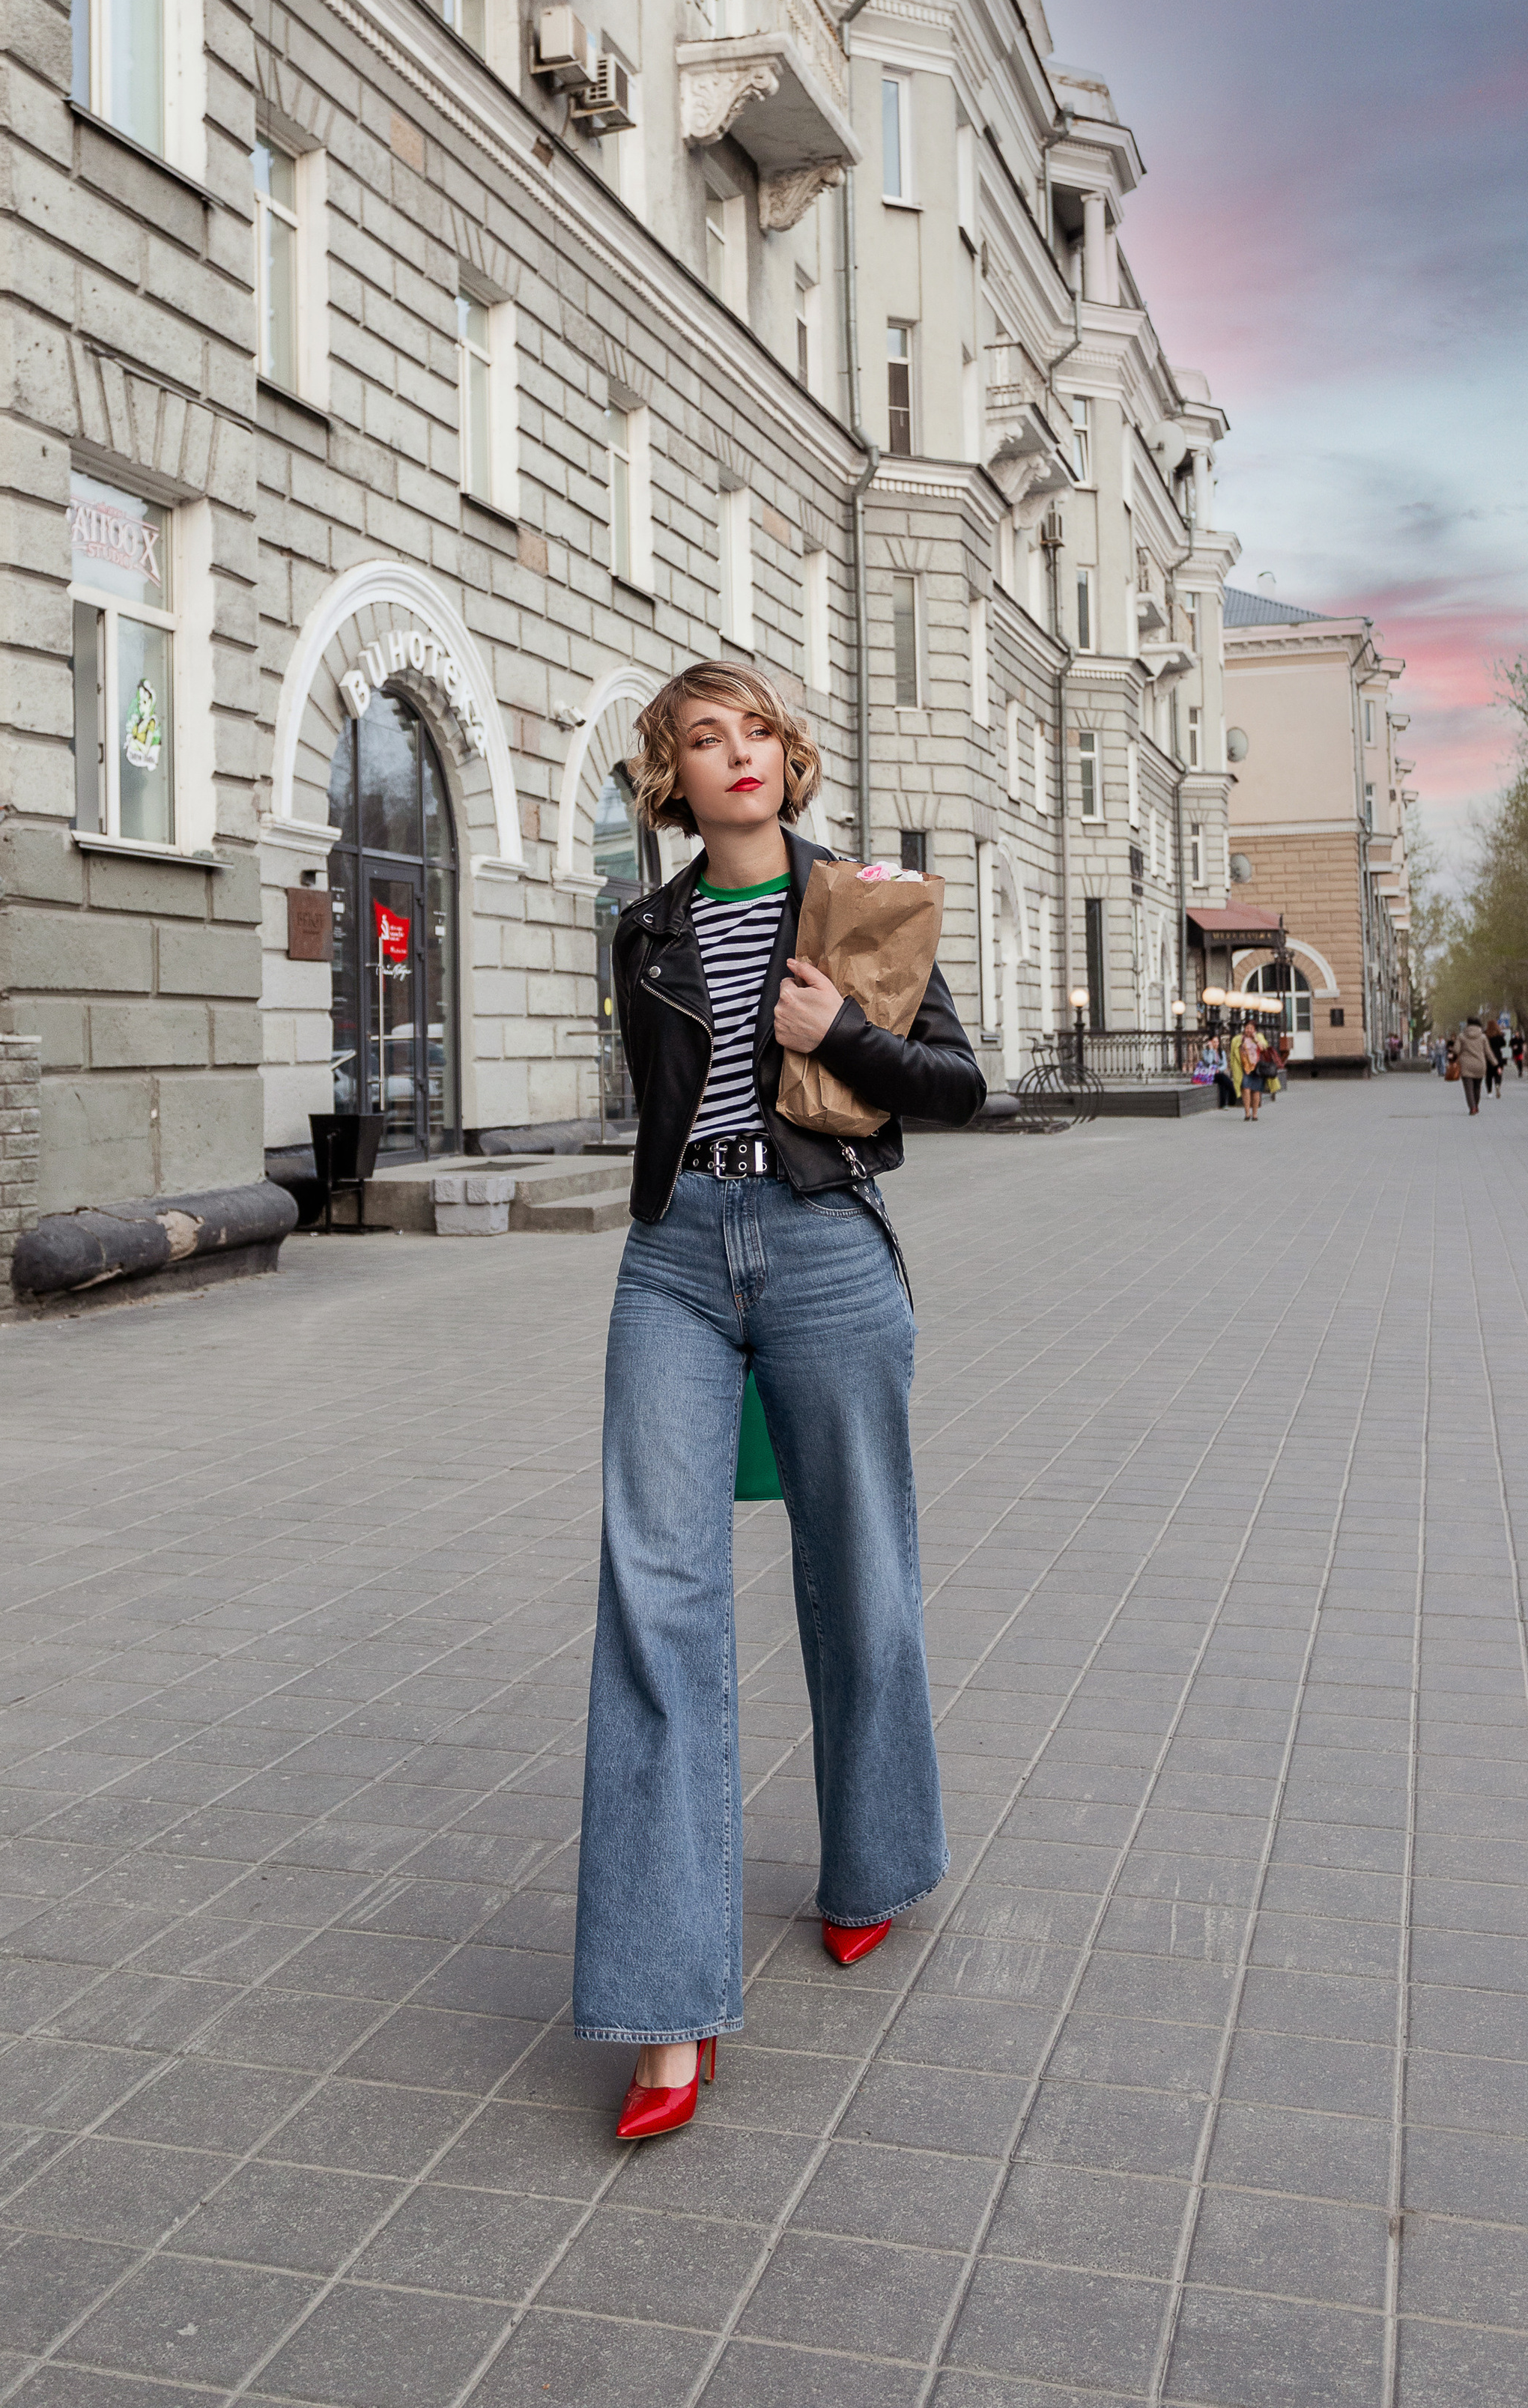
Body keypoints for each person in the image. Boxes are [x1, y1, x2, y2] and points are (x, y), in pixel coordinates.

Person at [573, 660, 985, 2140]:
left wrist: (837, 1038)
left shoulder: (861, 903)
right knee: (652, 1598)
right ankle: (663, 2006)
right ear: (669, 777)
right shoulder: (645, 931)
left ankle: (870, 1862)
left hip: (825, 1254)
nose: (734, 754)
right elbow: (667, 1112)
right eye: (702, 737)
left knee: (859, 1576)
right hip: (676, 1260)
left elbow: (955, 1083)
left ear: (785, 756)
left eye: (753, 730)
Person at [1456, 1013, 1490, 1116]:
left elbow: (1456, 1050)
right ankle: (1476, 1105)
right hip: (1480, 1064)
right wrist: (1496, 1063)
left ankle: (1473, 1107)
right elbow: (1488, 1052)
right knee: (1477, 1087)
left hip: (1466, 1065)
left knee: (1468, 1088)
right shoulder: (1483, 1037)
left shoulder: (1461, 1036)